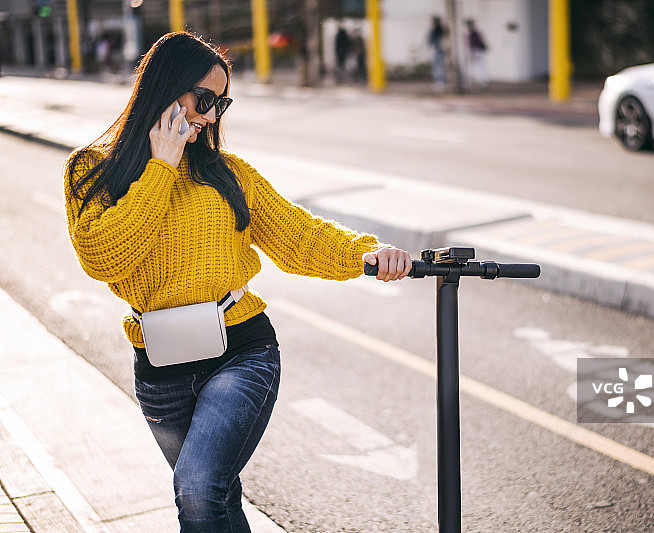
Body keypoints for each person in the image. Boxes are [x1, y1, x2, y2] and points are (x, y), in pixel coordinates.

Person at [63, 31, 411, 532]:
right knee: (216, 500)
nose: (211, 116)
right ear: (165, 87)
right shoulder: (91, 170)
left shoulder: (228, 174)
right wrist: (161, 166)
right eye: (204, 99)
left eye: (221, 104)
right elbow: (105, 258)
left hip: (240, 350)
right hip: (160, 367)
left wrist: (367, 253)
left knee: (198, 487)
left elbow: (299, 235)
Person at [465, 19, 489, 89]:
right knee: (475, 67)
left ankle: (482, 81)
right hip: (474, 51)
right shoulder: (470, 33)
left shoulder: (474, 34)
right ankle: (480, 81)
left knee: (479, 66)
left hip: (476, 51)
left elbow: (477, 43)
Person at [428, 16, 447, 91]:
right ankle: (439, 82)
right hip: (437, 50)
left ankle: (440, 83)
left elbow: (441, 41)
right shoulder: (437, 30)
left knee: (438, 67)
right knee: (438, 67)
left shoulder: (438, 30)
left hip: (438, 50)